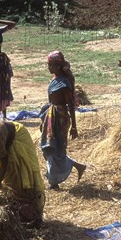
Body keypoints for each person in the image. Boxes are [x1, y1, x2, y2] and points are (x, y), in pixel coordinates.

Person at [40, 51, 86, 190]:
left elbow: (70, 105)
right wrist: (43, 122)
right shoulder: (54, 80)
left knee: (56, 148)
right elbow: (50, 103)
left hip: (60, 118)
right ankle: (75, 166)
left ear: (58, 66)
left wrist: (74, 127)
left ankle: (54, 182)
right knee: (48, 147)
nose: (48, 68)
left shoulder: (64, 84)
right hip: (51, 116)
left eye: (50, 65)